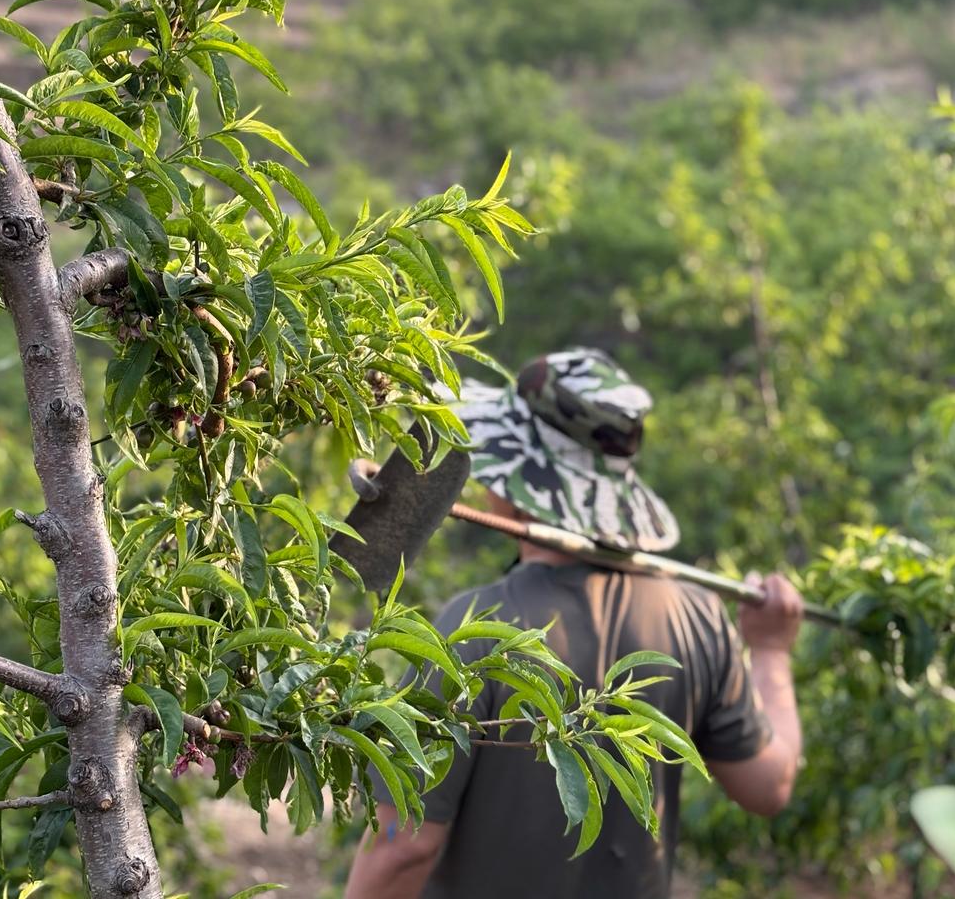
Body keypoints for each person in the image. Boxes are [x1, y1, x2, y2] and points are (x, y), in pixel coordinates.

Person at [344, 348, 804, 899]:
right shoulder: (700, 619)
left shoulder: (473, 629)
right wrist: (772, 651)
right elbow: (769, 785)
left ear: (516, 477)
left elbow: (403, 846)